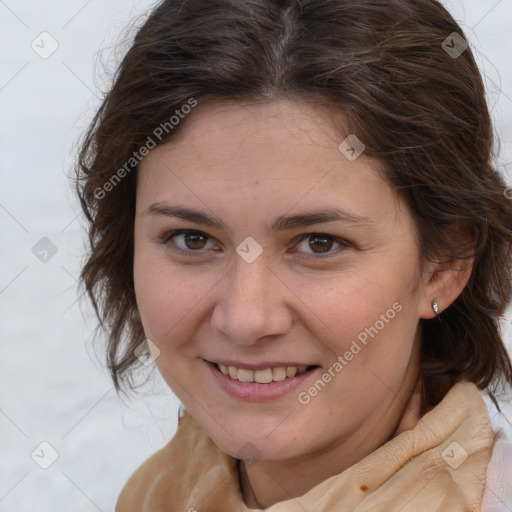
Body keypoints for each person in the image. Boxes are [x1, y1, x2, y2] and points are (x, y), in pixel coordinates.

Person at [75, 0, 512, 510]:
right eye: (192, 238)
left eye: (319, 244)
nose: (245, 319)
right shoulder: (153, 496)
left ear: (444, 265)